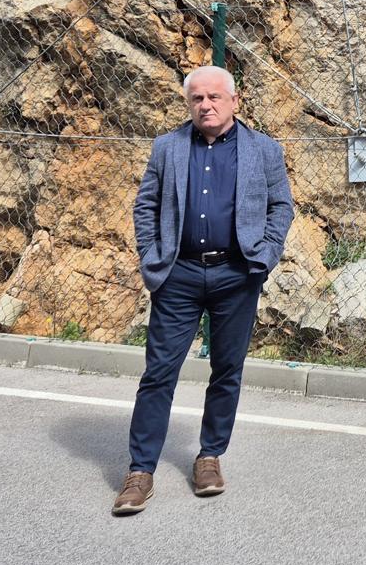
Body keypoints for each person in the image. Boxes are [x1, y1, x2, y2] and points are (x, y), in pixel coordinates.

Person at [112, 66, 295, 516]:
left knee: (227, 369)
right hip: (179, 275)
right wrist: (151, 255)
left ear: (235, 101)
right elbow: (146, 204)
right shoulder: (168, 147)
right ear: (188, 103)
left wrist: (265, 256)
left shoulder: (264, 150)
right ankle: (140, 471)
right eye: (197, 98)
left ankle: (210, 457)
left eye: (214, 97)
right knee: (159, 373)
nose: (206, 105)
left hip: (237, 274)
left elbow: (281, 206)